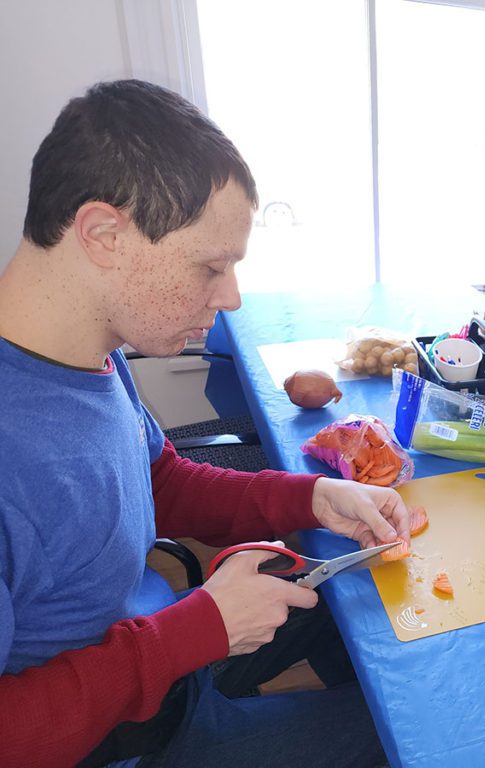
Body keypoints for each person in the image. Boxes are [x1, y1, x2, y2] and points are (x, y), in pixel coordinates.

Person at [0, 80, 409, 766]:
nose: (232, 296)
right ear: (104, 235)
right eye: (210, 266)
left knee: (364, 617)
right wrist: (194, 633)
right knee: (408, 735)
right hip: (115, 736)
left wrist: (312, 497)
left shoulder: (86, 348)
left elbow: (157, 481)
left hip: (159, 654)